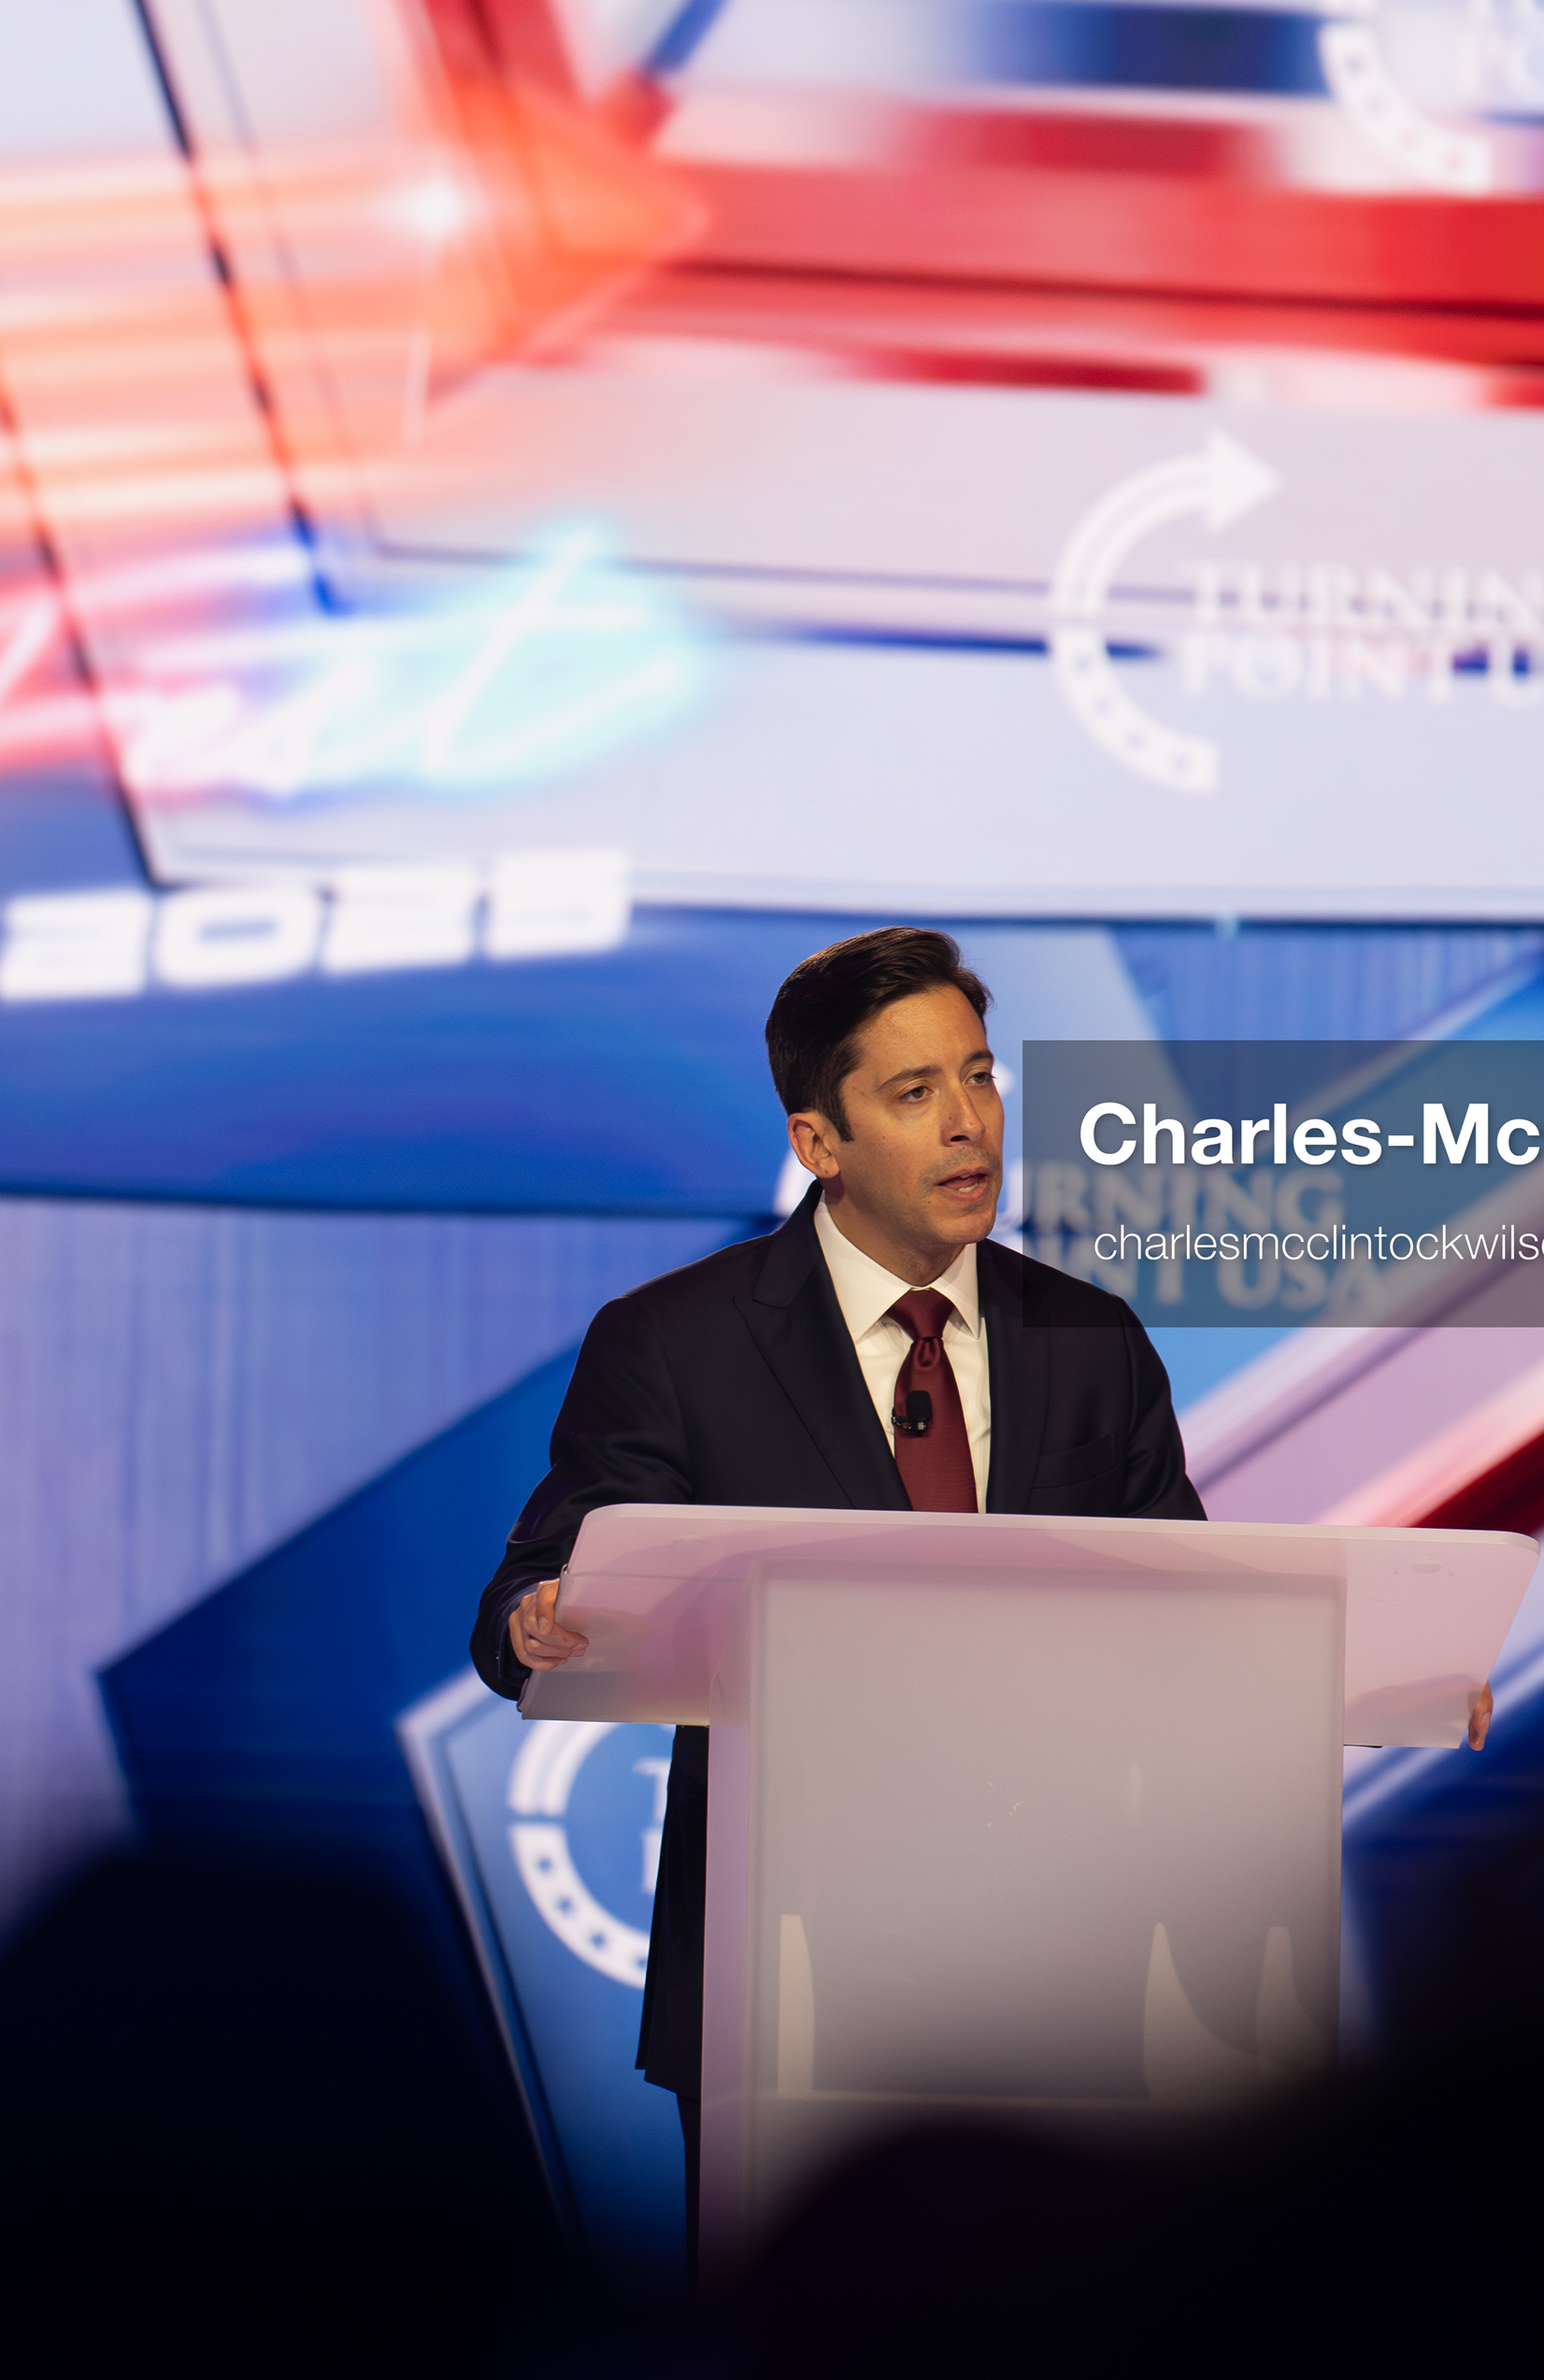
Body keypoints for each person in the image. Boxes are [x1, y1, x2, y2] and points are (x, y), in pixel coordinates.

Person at [467, 926, 1207, 2275]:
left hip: (1064, 1975)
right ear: (817, 1139)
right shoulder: (677, 1343)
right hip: (783, 1985)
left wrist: (1371, 1676)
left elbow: (1196, 1619)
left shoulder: (1092, 1341)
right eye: (915, 1093)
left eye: (980, 1077)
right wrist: (538, 1619)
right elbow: (536, 1584)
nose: (970, 1121)